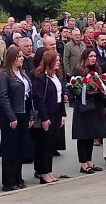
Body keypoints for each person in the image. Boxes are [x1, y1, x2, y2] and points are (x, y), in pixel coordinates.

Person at [0, 46, 33, 191]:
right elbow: (3, 97)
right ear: (11, 58)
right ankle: (8, 181)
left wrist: (31, 115)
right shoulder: (4, 75)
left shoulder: (22, 74)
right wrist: (11, 116)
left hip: (23, 113)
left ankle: (18, 177)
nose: (22, 58)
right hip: (11, 115)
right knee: (10, 148)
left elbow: (28, 95)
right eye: (18, 56)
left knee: (20, 148)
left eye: (22, 56)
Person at [70, 49, 106, 173]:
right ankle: (83, 163)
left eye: (95, 56)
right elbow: (74, 89)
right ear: (85, 57)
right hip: (83, 107)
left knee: (91, 134)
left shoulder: (96, 71)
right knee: (83, 135)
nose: (93, 58)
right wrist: (85, 91)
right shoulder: (78, 71)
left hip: (94, 106)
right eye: (90, 56)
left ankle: (89, 161)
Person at [32, 51, 66, 184]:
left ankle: (49, 170)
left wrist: (63, 114)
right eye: (56, 60)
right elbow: (38, 99)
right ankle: (42, 172)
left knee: (51, 144)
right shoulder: (41, 78)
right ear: (49, 61)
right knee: (44, 144)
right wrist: (44, 118)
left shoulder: (56, 76)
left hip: (57, 112)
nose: (58, 62)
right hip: (47, 114)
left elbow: (61, 97)